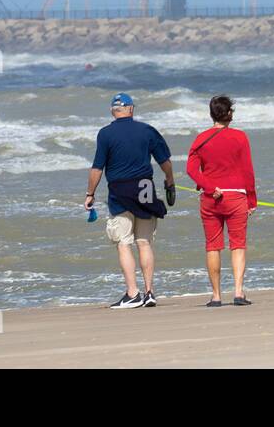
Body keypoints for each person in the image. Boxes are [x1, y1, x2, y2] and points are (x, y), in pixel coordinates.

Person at [85, 92, 175, 309]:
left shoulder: (105, 134)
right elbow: (165, 161)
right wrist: (170, 182)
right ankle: (150, 292)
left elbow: (98, 167)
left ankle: (133, 293)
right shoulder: (147, 130)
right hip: (145, 187)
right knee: (144, 242)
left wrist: (90, 194)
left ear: (113, 111)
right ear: (131, 109)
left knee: (123, 242)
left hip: (120, 190)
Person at [186, 94, 257, 307]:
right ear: (229, 114)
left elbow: (190, 169)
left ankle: (216, 296)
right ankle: (238, 292)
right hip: (236, 196)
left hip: (211, 198)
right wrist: (252, 199)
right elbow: (247, 171)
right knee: (238, 245)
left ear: (211, 114)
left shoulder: (201, 138)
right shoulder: (240, 137)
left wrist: (209, 187)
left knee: (213, 246)